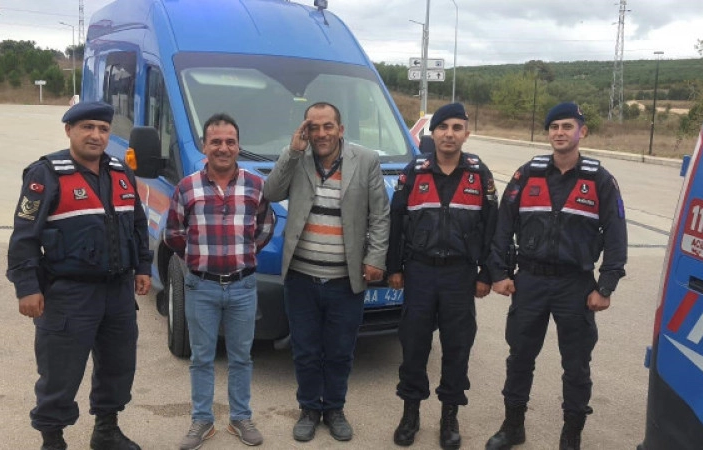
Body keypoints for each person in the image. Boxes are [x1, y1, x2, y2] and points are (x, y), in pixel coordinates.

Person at [7, 101, 152, 450]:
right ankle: (53, 440)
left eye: (103, 129)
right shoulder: (46, 174)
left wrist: (143, 267)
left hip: (117, 294)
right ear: (69, 130)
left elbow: (137, 224)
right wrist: (27, 287)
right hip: (69, 294)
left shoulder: (121, 171)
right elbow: (24, 237)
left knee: (118, 367)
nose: (96, 135)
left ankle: (106, 431)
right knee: (60, 372)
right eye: (87, 127)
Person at [485, 102, 628, 450]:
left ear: (582, 131)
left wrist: (606, 286)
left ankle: (571, 435)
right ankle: (513, 427)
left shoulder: (600, 180)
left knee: (576, 365)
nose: (560, 133)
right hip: (530, 281)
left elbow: (616, 236)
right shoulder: (527, 174)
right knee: (520, 357)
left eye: (567, 126)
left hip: (575, 285)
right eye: (554, 127)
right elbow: (502, 227)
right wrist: (499, 273)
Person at [263, 102, 389, 443]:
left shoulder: (366, 160)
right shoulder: (297, 157)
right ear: (306, 129)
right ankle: (308, 409)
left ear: (340, 129)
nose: (321, 134)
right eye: (313, 127)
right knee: (305, 350)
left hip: (346, 280)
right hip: (301, 278)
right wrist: (292, 151)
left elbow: (380, 215)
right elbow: (271, 192)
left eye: (327, 126)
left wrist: (376, 258)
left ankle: (334, 409)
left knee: (340, 351)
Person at [387, 102, 498, 449]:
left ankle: (450, 416)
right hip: (419, 272)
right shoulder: (414, 171)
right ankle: (410, 413)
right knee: (414, 345)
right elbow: (396, 221)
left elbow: (492, 228)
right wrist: (394, 267)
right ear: (432, 133)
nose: (449, 134)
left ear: (466, 133)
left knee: (457, 347)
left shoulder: (479, 174)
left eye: (456, 127)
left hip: (460, 275)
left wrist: (487, 273)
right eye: (443, 127)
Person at [164, 113, 275, 449]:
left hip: (243, 287)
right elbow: (173, 233)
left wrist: (243, 253)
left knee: (241, 357)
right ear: (204, 146)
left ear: (238, 146)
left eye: (230, 142)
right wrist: (199, 259)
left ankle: (240, 417)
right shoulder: (187, 187)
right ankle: (202, 420)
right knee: (201, 358)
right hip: (201, 286)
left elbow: (265, 226)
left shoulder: (256, 186)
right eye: (216, 142)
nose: (223, 148)